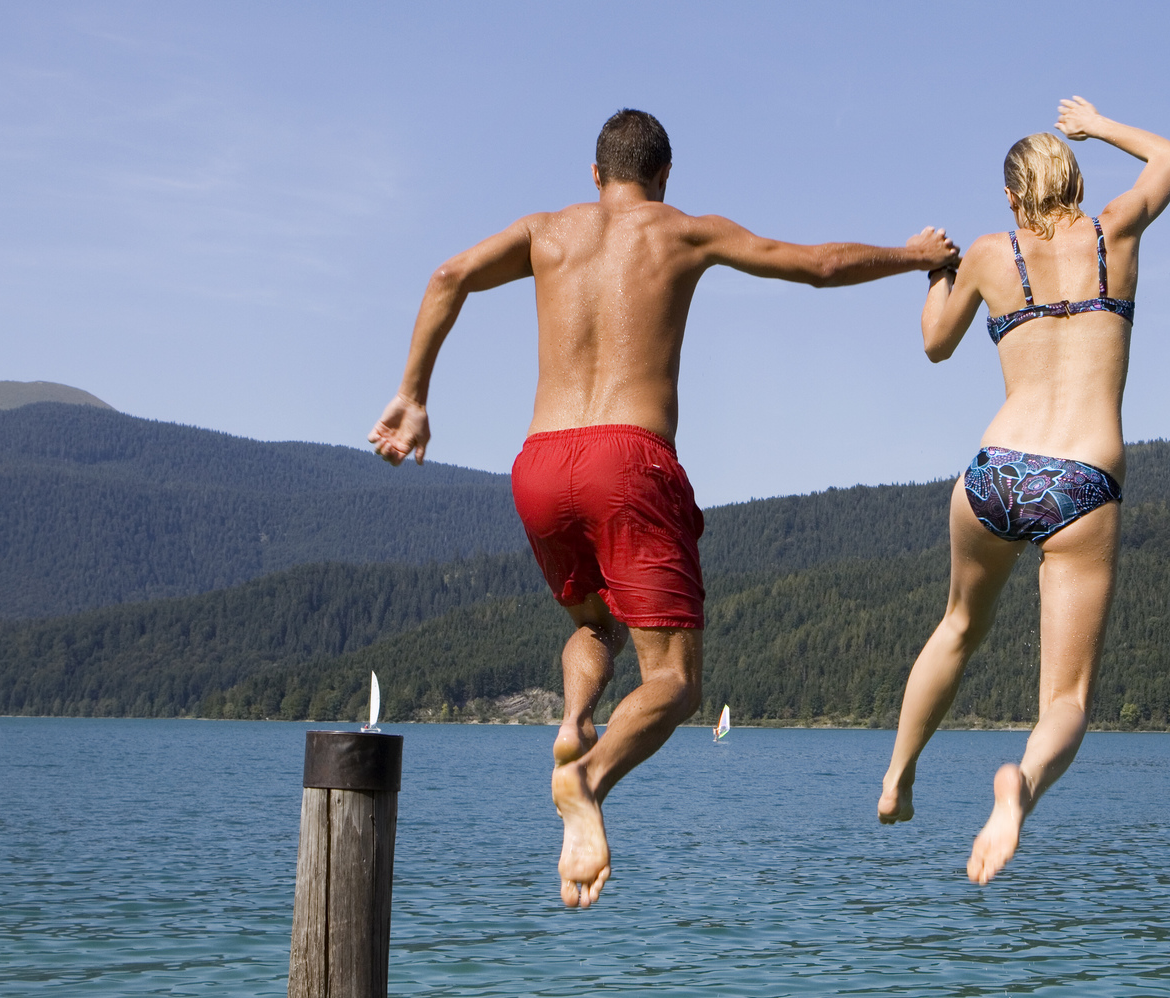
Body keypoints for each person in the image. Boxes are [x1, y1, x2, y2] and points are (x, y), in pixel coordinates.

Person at [370, 109, 959, 907]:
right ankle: (587, 774)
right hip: (629, 459)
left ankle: (575, 718)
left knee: (590, 625)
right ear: (665, 176)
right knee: (676, 682)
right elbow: (817, 264)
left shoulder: (545, 230)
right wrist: (915, 255)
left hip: (539, 464)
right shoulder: (681, 231)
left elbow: (448, 276)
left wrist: (412, 396)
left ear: (594, 173)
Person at [876, 97, 1170, 884]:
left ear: (1011, 198)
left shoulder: (990, 253)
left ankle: (897, 777)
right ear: (1075, 179)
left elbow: (934, 344)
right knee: (1067, 699)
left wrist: (936, 271)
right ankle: (1020, 784)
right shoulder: (1116, 230)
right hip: (1082, 479)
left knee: (956, 627)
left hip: (997, 469)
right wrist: (1100, 123)